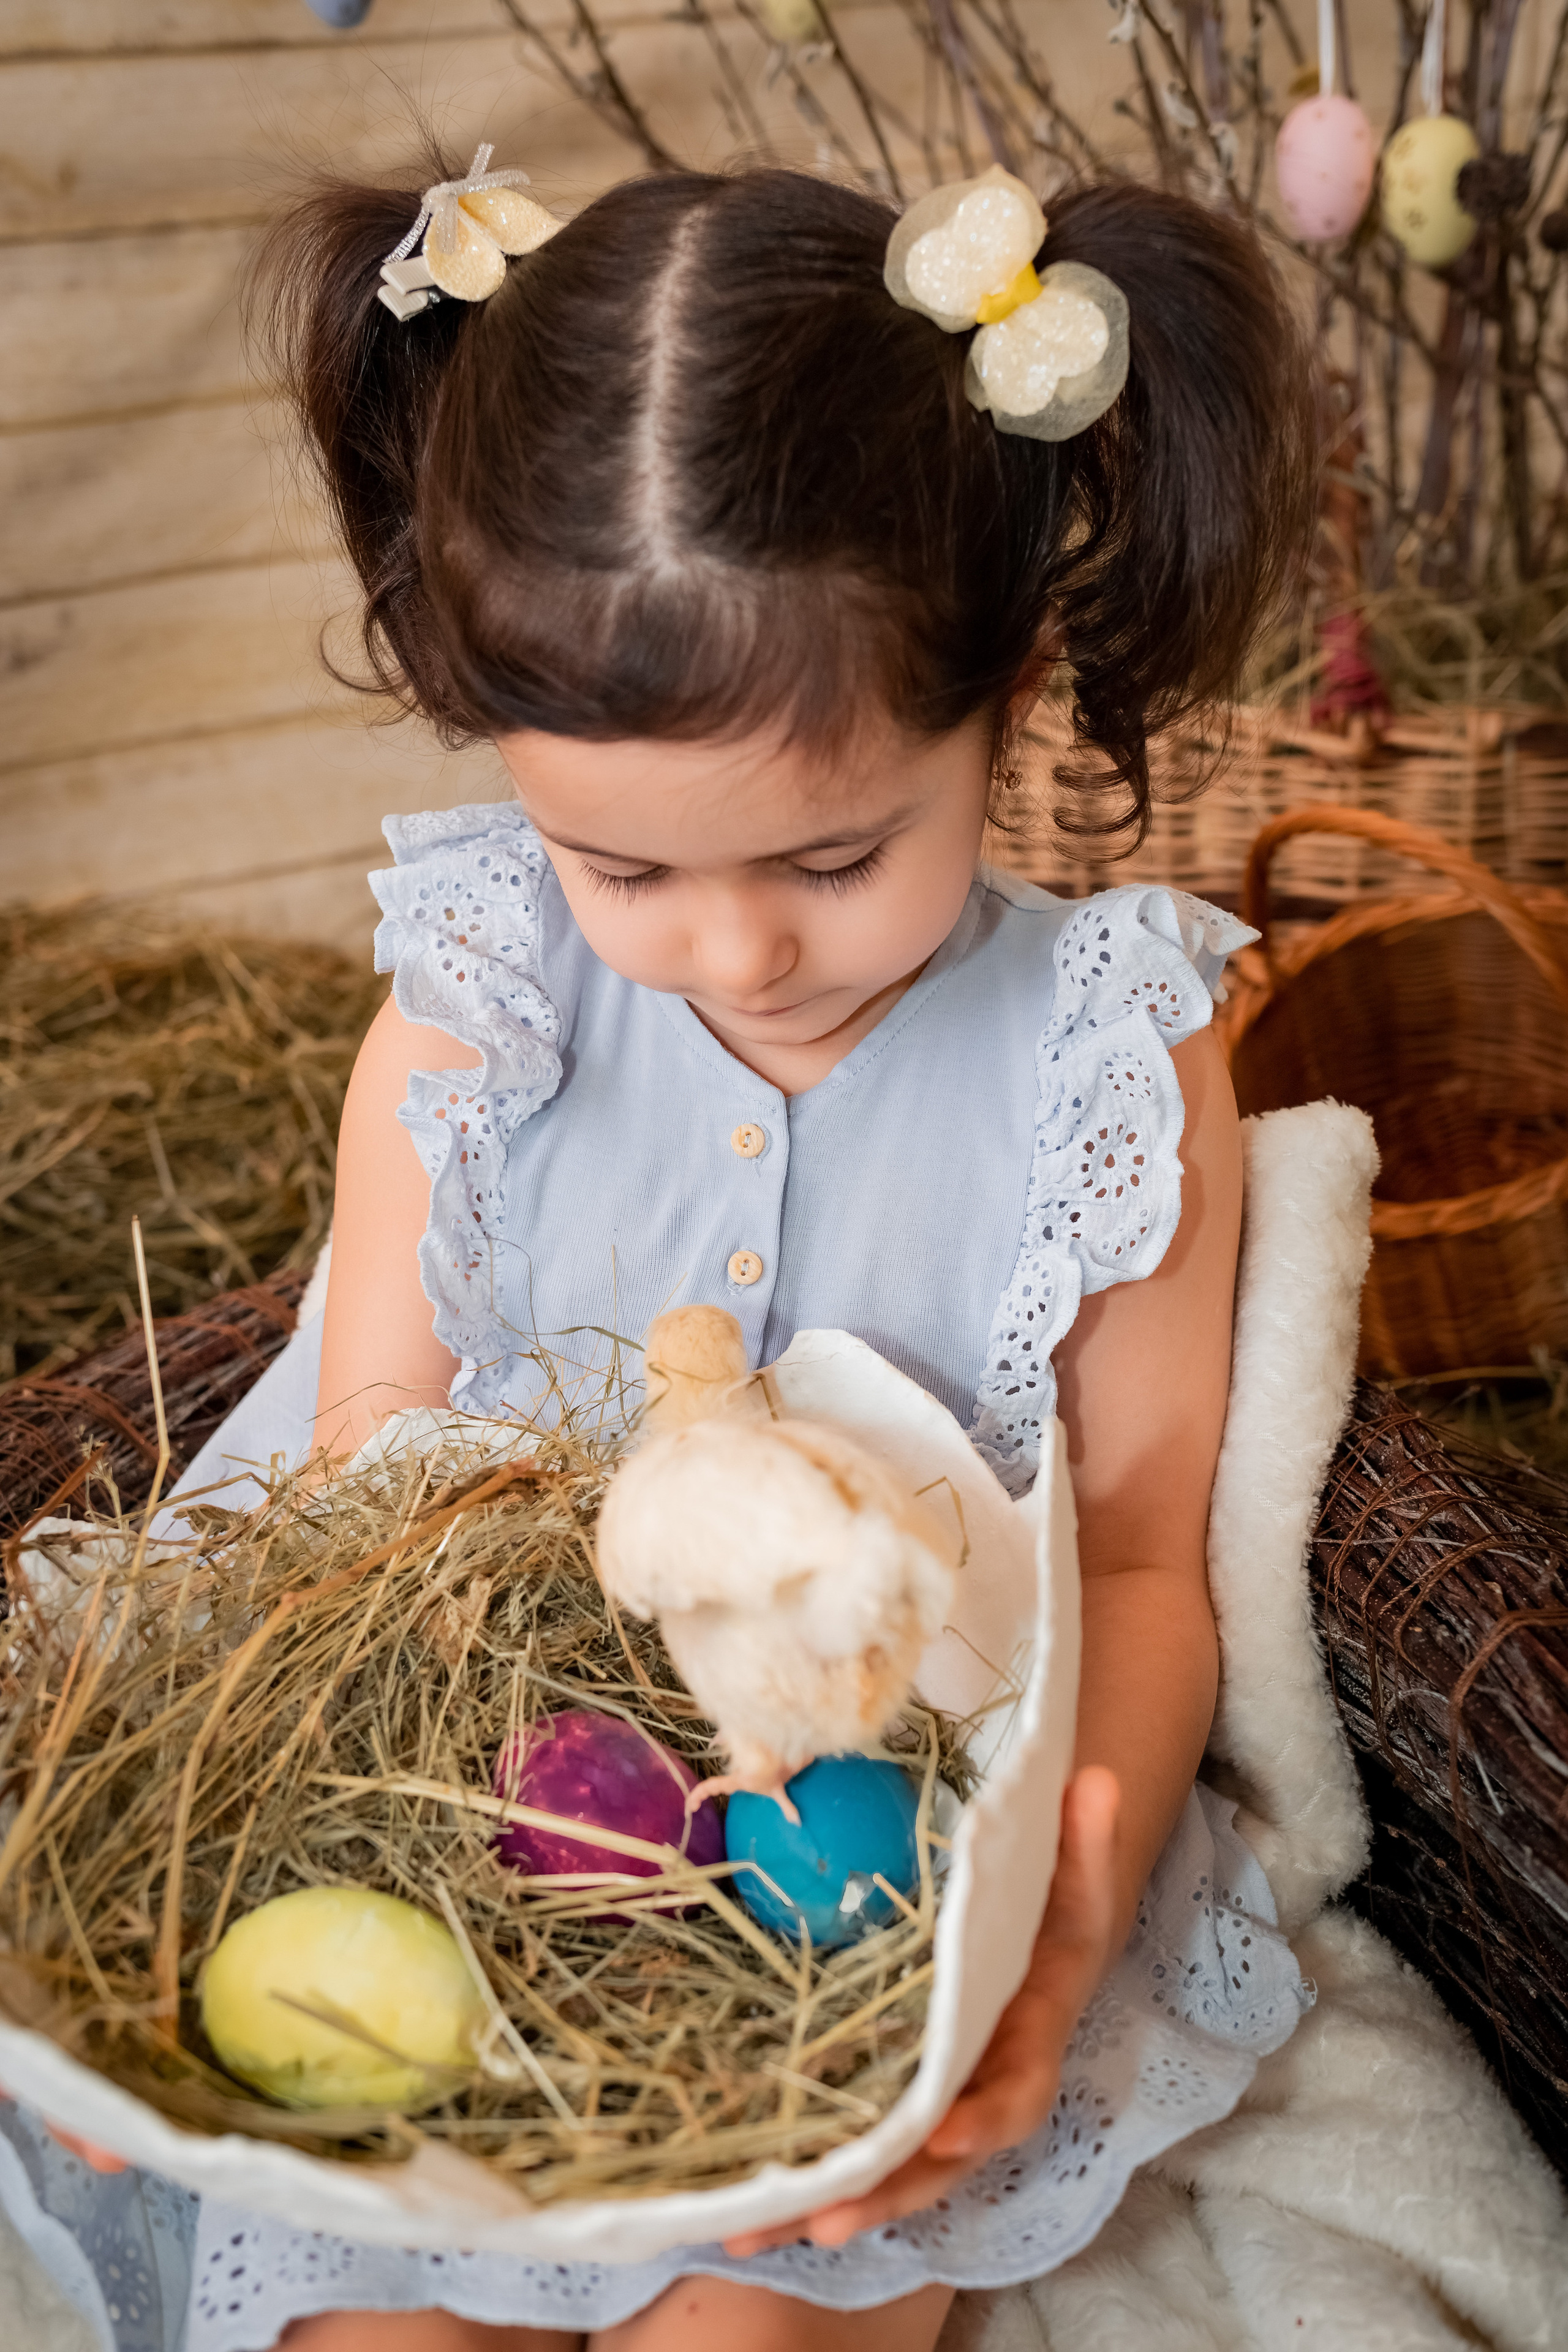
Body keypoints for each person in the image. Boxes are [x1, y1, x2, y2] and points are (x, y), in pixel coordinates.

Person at [9, 152, 1316, 2352]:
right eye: (618, 862)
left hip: (904, 1858)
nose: (736, 949)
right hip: (462, 1794)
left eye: (835, 850)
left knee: (757, 2322)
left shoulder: (1116, 1055)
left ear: (1003, 689)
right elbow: (368, 1510)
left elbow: (1138, 1561)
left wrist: (1061, 1925)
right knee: (370, 2327)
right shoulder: (478, 991)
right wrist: (210, 1915)